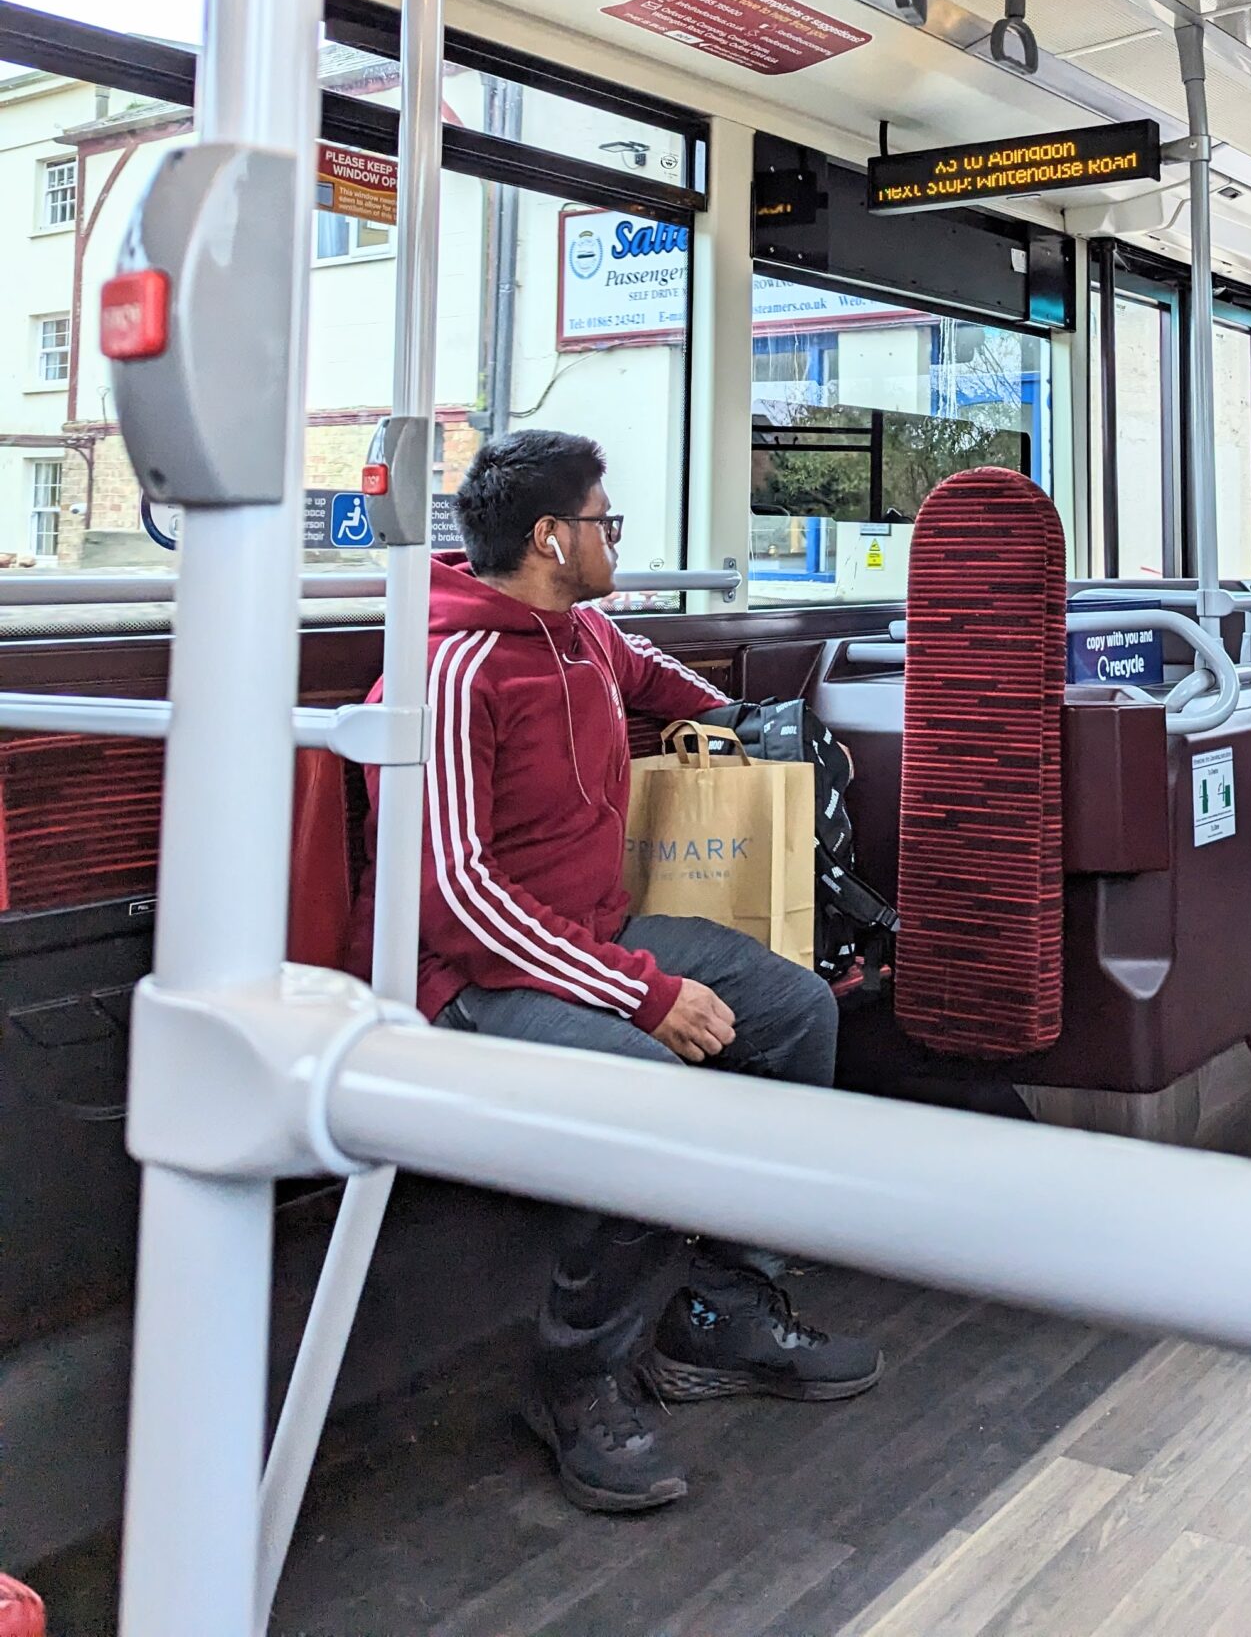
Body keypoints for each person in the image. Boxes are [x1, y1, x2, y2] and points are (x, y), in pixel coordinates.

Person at [348, 429, 881, 1514]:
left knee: (792, 1010)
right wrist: (642, 991)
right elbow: (456, 899)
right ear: (551, 537)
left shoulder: (580, 631)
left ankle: (721, 1311)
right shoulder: (450, 673)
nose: (615, 540)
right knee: (648, 1088)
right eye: (605, 522)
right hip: (463, 980)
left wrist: (738, 724)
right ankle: (574, 1377)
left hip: (580, 937)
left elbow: (653, 675)